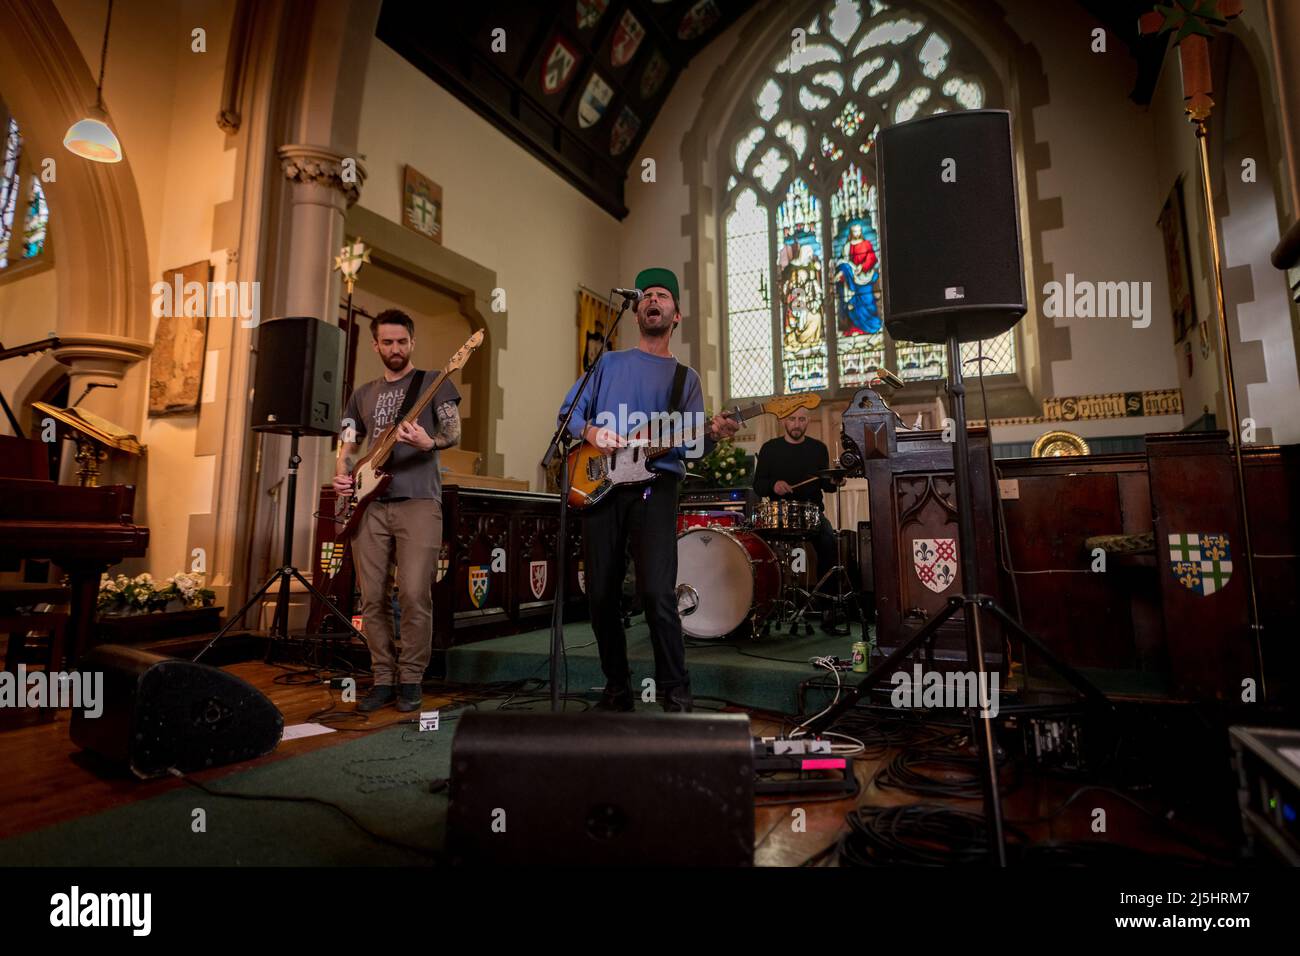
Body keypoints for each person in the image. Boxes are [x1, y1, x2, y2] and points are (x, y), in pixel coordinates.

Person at [557, 268, 739, 713]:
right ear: (638, 310)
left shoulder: (685, 379)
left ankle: (676, 690)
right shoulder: (607, 363)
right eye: (647, 296)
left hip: (655, 487)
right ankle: (617, 688)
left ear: (676, 315)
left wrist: (714, 432)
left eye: (663, 296)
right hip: (599, 486)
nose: (653, 300)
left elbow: (693, 448)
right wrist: (594, 434)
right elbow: (568, 415)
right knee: (599, 592)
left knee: (658, 592)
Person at [333, 309, 461, 713]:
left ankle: (410, 678)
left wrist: (431, 442)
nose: (395, 349)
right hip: (369, 504)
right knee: (370, 597)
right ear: (375, 345)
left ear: (412, 342)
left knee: (412, 592)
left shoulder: (434, 383)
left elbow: (453, 432)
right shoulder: (363, 393)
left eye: (402, 342)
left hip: (419, 500)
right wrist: (342, 472)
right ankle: (383, 676)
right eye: (387, 342)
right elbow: (348, 440)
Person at [753, 408, 843, 629]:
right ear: (784, 420)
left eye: (801, 419)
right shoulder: (770, 449)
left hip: (811, 513)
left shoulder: (818, 448)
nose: (796, 424)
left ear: (808, 421)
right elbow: (758, 485)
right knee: (757, 547)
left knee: (829, 541)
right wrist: (773, 485)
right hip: (779, 514)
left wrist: (835, 480)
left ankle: (826, 606)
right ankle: (762, 603)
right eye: (792, 419)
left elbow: (826, 486)